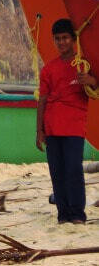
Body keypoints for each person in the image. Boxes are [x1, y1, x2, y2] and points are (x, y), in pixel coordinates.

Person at [36, 18, 95, 224]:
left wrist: (92, 81)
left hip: (74, 126)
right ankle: (63, 214)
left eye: (65, 38)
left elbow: (94, 90)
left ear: (73, 39)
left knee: (73, 170)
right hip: (52, 126)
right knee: (57, 172)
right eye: (57, 39)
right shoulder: (48, 69)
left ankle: (78, 214)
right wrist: (39, 131)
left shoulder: (85, 65)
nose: (61, 43)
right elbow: (42, 100)